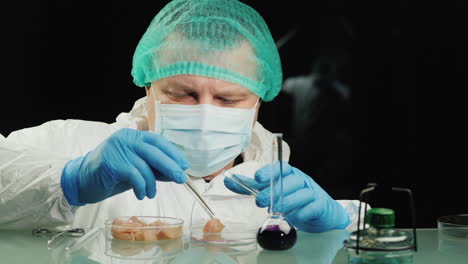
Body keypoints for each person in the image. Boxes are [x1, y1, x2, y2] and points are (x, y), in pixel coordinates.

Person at [0, 0, 362, 233]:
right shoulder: (76, 145)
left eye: (228, 98)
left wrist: (337, 229)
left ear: (257, 105)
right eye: (183, 94)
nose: (205, 113)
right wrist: (69, 182)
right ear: (148, 89)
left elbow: (390, 241)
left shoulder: (281, 193)